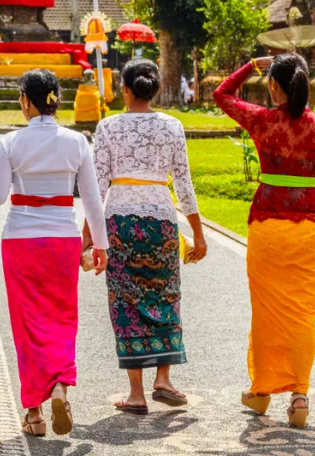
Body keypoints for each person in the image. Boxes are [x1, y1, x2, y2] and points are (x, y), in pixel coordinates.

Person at [0, 69, 108, 438]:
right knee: (62, 318)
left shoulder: (11, 142)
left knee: (27, 325)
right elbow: (93, 203)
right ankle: (61, 388)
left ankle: (33, 413)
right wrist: (100, 245)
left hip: (20, 240)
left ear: (25, 101)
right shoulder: (77, 142)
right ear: (56, 101)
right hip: (62, 240)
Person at [213, 53, 315, 430]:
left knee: (266, 314)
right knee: (303, 314)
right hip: (310, 230)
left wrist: (251, 64)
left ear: (273, 86)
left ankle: (261, 390)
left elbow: (222, 95)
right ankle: (299, 394)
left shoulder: (263, 120)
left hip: (268, 228)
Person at [91, 58, 207, 415]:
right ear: (154, 89)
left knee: (126, 304)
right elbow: (184, 185)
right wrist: (198, 235)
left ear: (125, 89)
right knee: (166, 296)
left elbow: (96, 188)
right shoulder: (172, 126)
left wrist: (88, 239)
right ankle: (164, 379)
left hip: (120, 225)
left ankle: (137, 394)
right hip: (161, 222)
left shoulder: (107, 127)